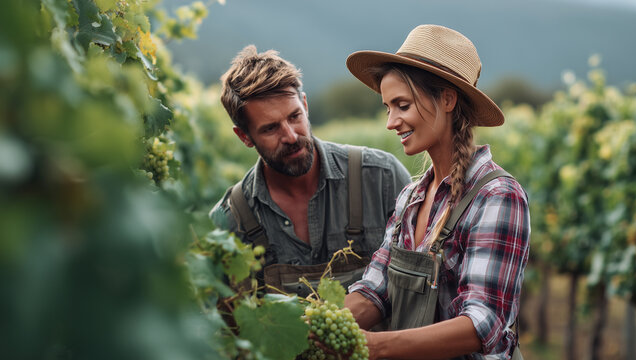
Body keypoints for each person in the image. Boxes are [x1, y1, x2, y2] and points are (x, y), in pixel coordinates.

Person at [343, 25, 530, 359]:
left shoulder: (497, 196)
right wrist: (327, 326)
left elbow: (482, 321)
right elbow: (376, 289)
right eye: (387, 107)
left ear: (447, 99)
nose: (391, 121)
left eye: (402, 105)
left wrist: (378, 346)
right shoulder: (410, 198)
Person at [210, 45, 411, 294]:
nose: (291, 136)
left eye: (294, 117)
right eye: (271, 128)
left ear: (305, 105)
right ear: (244, 137)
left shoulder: (382, 178)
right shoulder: (229, 221)